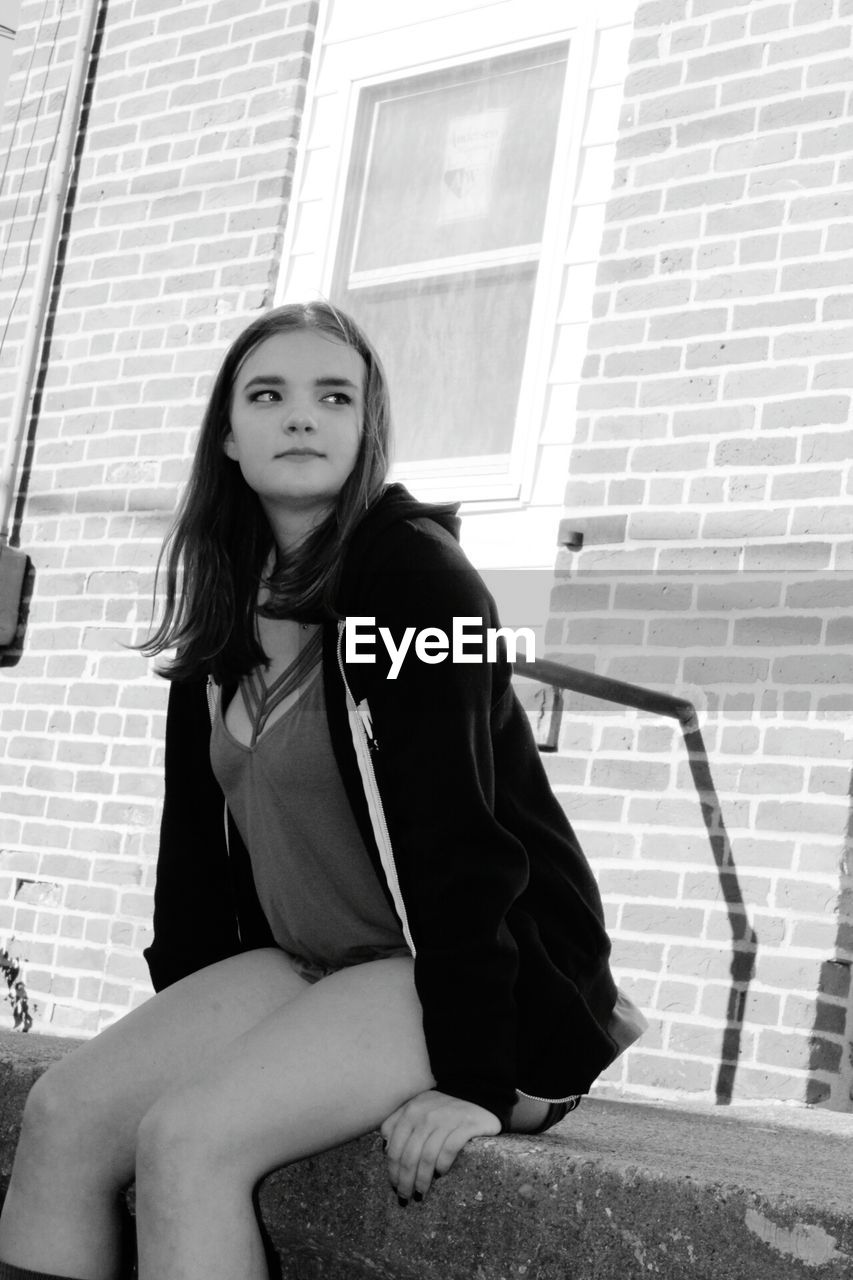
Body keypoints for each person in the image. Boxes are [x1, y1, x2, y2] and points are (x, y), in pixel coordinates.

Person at [0, 302, 644, 1280]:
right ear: (229, 433)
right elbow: (195, 865)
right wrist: (203, 1025)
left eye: (331, 395)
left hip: (475, 981)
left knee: (189, 1141)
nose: (300, 415)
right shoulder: (223, 604)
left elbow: (465, 846)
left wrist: (475, 1079)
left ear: (364, 428)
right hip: (314, 963)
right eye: (268, 394)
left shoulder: (423, 584)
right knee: (64, 1113)